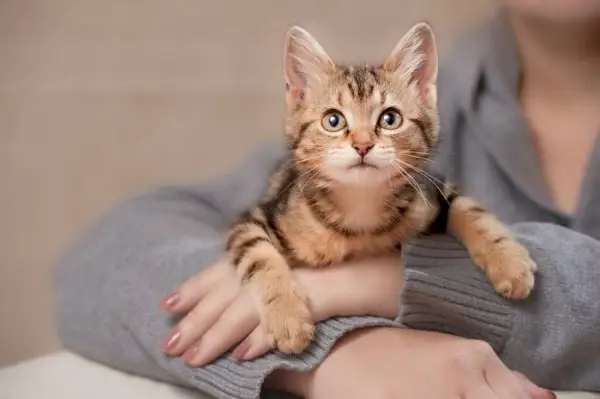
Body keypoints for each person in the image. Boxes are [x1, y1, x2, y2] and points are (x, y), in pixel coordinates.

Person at [55, 1, 600, 398]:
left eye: (387, 120)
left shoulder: (421, 150)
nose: (362, 141)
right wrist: (341, 349)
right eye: (336, 122)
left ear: (420, 90)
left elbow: (450, 207)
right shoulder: (321, 170)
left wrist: (390, 280)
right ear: (299, 101)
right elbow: (103, 258)